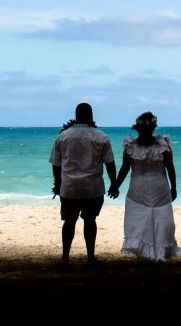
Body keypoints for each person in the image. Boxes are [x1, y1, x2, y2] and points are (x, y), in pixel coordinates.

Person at [107, 111, 181, 262]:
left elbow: (170, 167)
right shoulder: (135, 146)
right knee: (152, 219)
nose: (148, 131)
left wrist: (115, 186)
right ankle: (149, 253)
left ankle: (153, 252)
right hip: (144, 189)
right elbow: (125, 168)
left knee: (152, 220)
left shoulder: (159, 144)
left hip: (151, 188)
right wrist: (115, 185)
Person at [49, 102, 117, 265]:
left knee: (69, 221)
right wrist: (114, 184)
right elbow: (109, 163)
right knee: (90, 220)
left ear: (76, 115)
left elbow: (56, 164)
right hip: (92, 187)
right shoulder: (101, 137)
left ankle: (65, 257)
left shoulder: (62, 137)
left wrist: (58, 185)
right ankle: (90, 257)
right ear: (91, 115)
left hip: (69, 187)